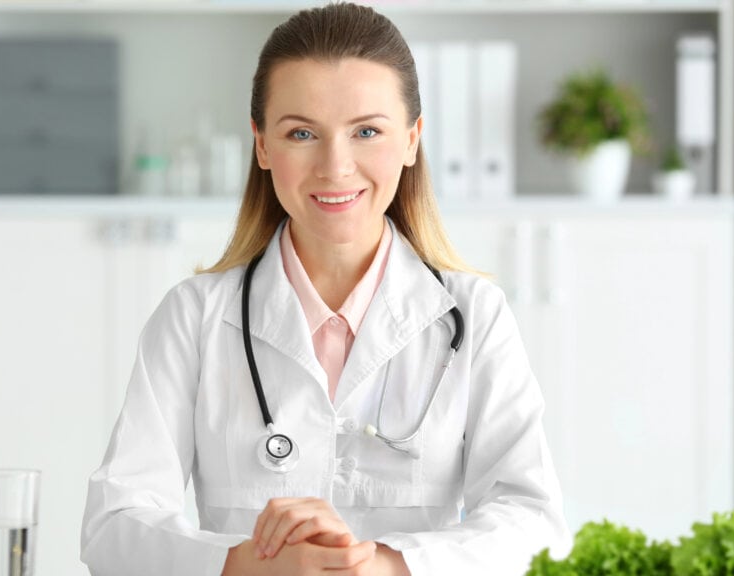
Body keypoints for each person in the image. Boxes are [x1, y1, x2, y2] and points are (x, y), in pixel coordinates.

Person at [80, 3, 571, 574]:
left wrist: (386, 565)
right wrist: (244, 565)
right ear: (262, 145)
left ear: (412, 140)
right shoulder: (194, 317)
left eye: (367, 131)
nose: (335, 167)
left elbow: (536, 524)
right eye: (302, 133)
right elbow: (114, 525)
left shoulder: (475, 316)